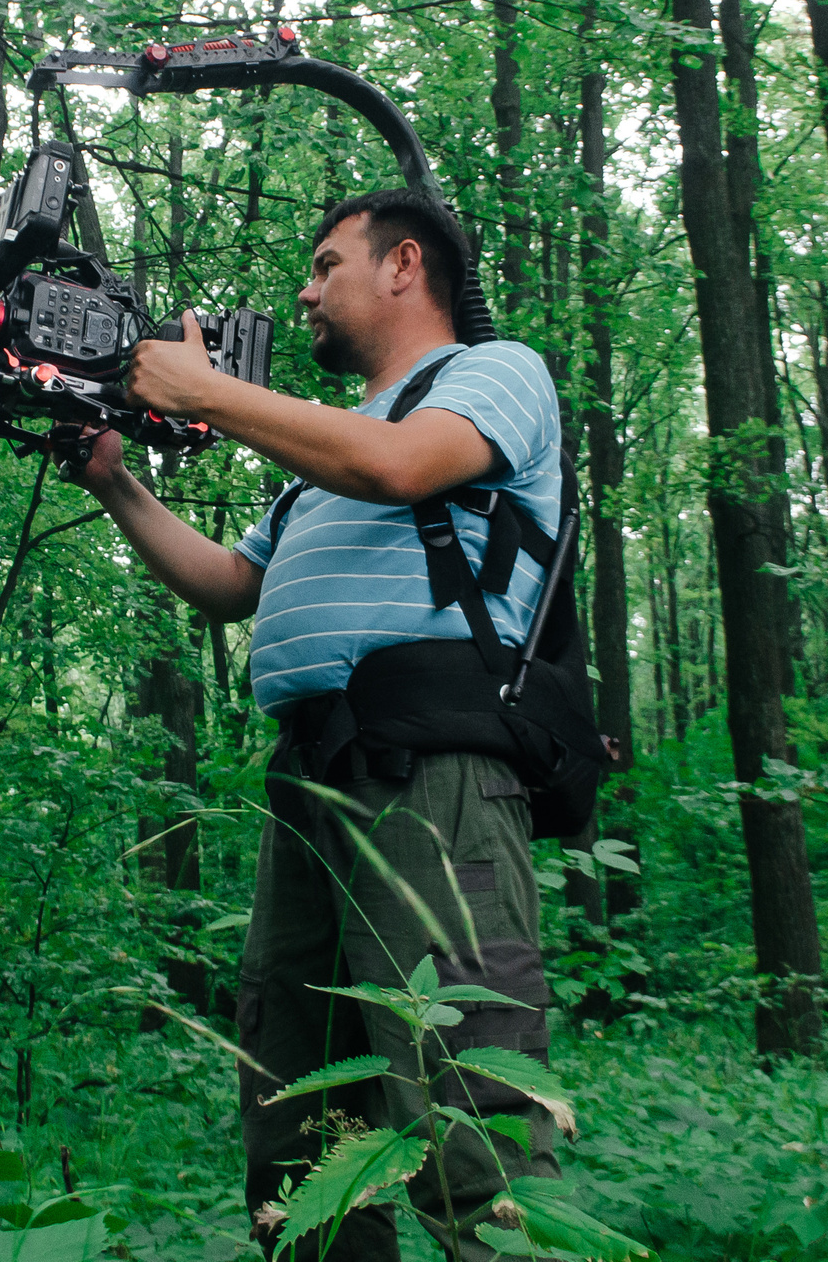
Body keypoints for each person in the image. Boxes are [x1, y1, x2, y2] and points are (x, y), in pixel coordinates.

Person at [72, 188, 569, 1262]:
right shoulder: (319, 468)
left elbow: (396, 466)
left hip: (431, 779)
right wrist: (116, 484)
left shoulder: (492, 374)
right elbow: (227, 583)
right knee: (302, 1127)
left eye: (324, 263)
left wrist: (205, 393)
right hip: (310, 785)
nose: (304, 288)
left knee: (462, 1110)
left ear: (401, 266)